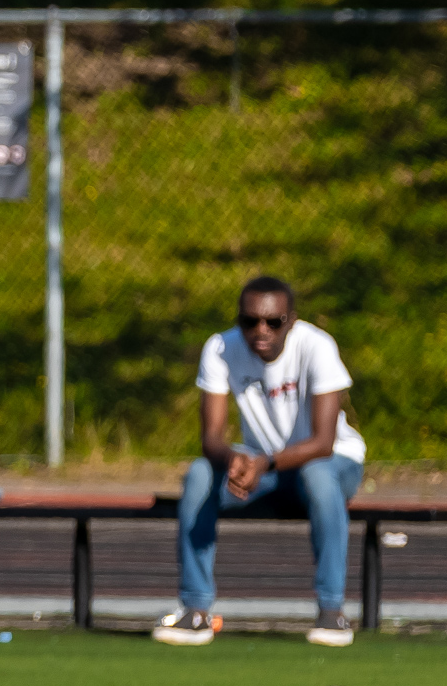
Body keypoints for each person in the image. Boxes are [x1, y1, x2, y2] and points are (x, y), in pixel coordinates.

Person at [153, 275, 366, 648]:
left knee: (317, 476)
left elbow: (323, 442)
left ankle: (332, 612)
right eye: (249, 321)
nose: (260, 331)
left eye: (273, 322)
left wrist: (262, 463)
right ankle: (196, 610)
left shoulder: (317, 346)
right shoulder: (220, 347)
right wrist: (235, 460)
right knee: (201, 474)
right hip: (265, 467)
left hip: (333, 463)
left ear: (292, 321)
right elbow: (211, 439)